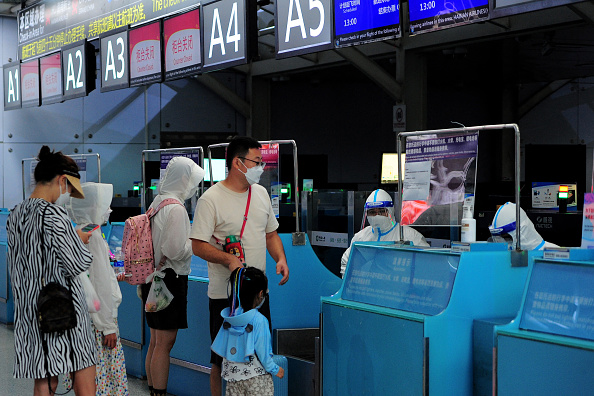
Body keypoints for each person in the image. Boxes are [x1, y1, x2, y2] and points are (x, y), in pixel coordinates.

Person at [190, 136, 290, 396]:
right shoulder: (211, 200)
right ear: (238, 163)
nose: (262, 167)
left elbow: (271, 234)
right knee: (220, 359)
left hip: (257, 297)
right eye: (257, 161)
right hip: (225, 298)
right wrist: (228, 259)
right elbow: (198, 245)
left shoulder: (260, 194)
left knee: (259, 352)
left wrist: (280, 258)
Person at [6, 145, 96, 396]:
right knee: (83, 370)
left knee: (46, 382)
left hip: (30, 311)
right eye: (68, 188)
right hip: (62, 310)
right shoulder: (54, 214)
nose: (66, 193)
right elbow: (78, 263)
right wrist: (80, 239)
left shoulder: (15, 214)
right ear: (61, 179)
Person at [140, 156, 205, 396]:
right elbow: (175, 250)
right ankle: (160, 392)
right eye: (191, 180)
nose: (193, 185)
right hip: (170, 281)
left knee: (155, 342)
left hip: (152, 279)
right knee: (165, 345)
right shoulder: (176, 208)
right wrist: (197, 244)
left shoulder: (157, 201)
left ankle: (151, 389)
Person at [65, 182, 129, 395]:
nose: (108, 210)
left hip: (84, 320)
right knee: (103, 380)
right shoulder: (92, 236)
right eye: (104, 205)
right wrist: (107, 325)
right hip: (98, 323)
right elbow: (99, 281)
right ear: (93, 206)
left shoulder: (77, 231)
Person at [211, 267, 284, 396]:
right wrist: (275, 369)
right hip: (257, 379)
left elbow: (221, 348)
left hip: (233, 379)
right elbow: (263, 353)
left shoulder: (229, 318)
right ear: (261, 294)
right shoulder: (259, 320)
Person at [341, 189, 429, 276]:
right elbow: (347, 263)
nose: (377, 215)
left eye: (382, 211)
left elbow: (427, 264)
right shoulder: (361, 236)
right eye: (372, 212)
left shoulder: (409, 236)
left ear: (390, 211)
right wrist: (352, 284)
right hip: (369, 287)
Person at [489, 202, 559, 250]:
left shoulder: (556, 255)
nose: (505, 244)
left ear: (522, 230)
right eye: (501, 239)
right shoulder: (504, 260)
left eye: (507, 238)